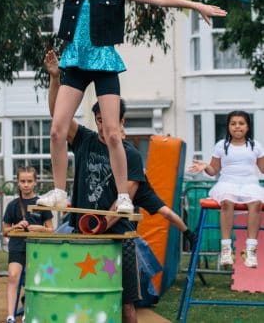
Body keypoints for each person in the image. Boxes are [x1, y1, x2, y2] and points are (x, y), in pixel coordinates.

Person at [0, 0, 227, 215]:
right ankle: (60, 192)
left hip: (103, 63)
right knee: (56, 130)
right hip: (75, 62)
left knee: (113, 134)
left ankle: (123, 195)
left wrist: (195, 4)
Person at [45, 50, 195, 322]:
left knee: (126, 306)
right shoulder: (84, 140)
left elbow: (124, 199)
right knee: (80, 297)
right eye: (99, 120)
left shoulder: (131, 154)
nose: (103, 125)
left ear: (119, 120)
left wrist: (99, 225)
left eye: (107, 119)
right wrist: (56, 78)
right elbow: (58, 117)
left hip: (118, 238)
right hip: (83, 231)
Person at [188, 111, 264, 268]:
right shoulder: (221, 145)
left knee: (256, 203)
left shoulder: (255, 145)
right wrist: (205, 167)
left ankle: (250, 250)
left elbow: (263, 169)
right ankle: (226, 249)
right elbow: (213, 171)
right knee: (227, 201)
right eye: (233, 123)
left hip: (250, 183)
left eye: (241, 123)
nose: (237, 126)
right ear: (229, 126)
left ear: (247, 126)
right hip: (227, 182)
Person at [2, 167, 54, 323]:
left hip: (37, 248)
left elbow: (51, 230)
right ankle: (10, 315)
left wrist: (39, 228)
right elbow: (5, 231)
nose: (26, 184)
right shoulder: (12, 205)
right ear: (18, 183)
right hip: (17, 247)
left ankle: (27, 313)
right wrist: (15, 227)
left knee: (31, 280)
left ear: (35, 182)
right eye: (22, 181)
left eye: (29, 181)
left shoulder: (41, 204)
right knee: (13, 277)